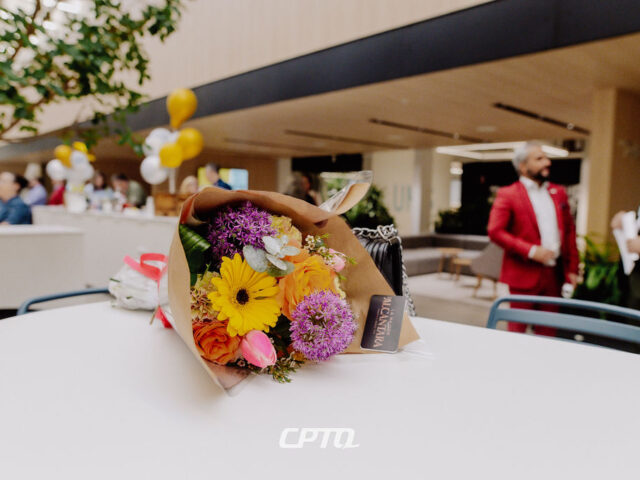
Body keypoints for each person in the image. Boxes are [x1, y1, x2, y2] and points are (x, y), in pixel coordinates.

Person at [487, 142, 579, 336]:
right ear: (523, 166)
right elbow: (495, 231)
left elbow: (569, 232)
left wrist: (573, 269)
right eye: (539, 159)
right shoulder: (508, 194)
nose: (547, 162)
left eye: (546, 157)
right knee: (517, 334)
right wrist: (531, 251)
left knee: (548, 333)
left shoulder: (558, 193)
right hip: (523, 274)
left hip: (554, 275)